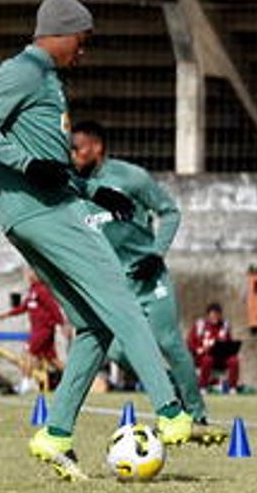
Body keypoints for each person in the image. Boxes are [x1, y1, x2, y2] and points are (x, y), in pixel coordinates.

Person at [0, 0, 214, 481]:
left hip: (41, 211)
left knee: (94, 325)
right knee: (122, 301)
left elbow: (52, 163)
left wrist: (95, 193)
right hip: (46, 214)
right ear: (60, 31)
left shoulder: (47, 79)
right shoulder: (22, 70)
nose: (84, 49)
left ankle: (54, 435)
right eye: (82, 39)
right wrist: (28, 164)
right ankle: (170, 410)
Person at [71, 119, 210, 422]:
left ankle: (197, 414)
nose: (72, 156)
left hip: (148, 278)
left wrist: (156, 254)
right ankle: (170, 386)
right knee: (115, 351)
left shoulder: (130, 177)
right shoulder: (75, 189)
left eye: (76, 149)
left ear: (95, 147)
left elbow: (170, 212)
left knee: (170, 343)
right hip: (113, 284)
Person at [0, 270, 66, 391]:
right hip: (38, 330)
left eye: (32, 273)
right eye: (29, 273)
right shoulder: (32, 291)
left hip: (44, 330)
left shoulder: (43, 290)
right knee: (53, 360)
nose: (29, 275)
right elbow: (24, 307)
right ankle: (74, 381)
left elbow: (54, 308)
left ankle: (24, 385)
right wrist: (8, 314)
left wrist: (62, 324)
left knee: (28, 354)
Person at [188, 304, 241, 393]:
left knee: (234, 360)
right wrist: (198, 349)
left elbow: (228, 342)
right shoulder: (200, 326)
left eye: (217, 315)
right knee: (207, 360)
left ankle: (232, 387)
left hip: (220, 357)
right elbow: (190, 342)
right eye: (213, 315)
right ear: (208, 316)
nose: (215, 318)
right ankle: (202, 387)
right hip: (203, 357)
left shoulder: (224, 327)